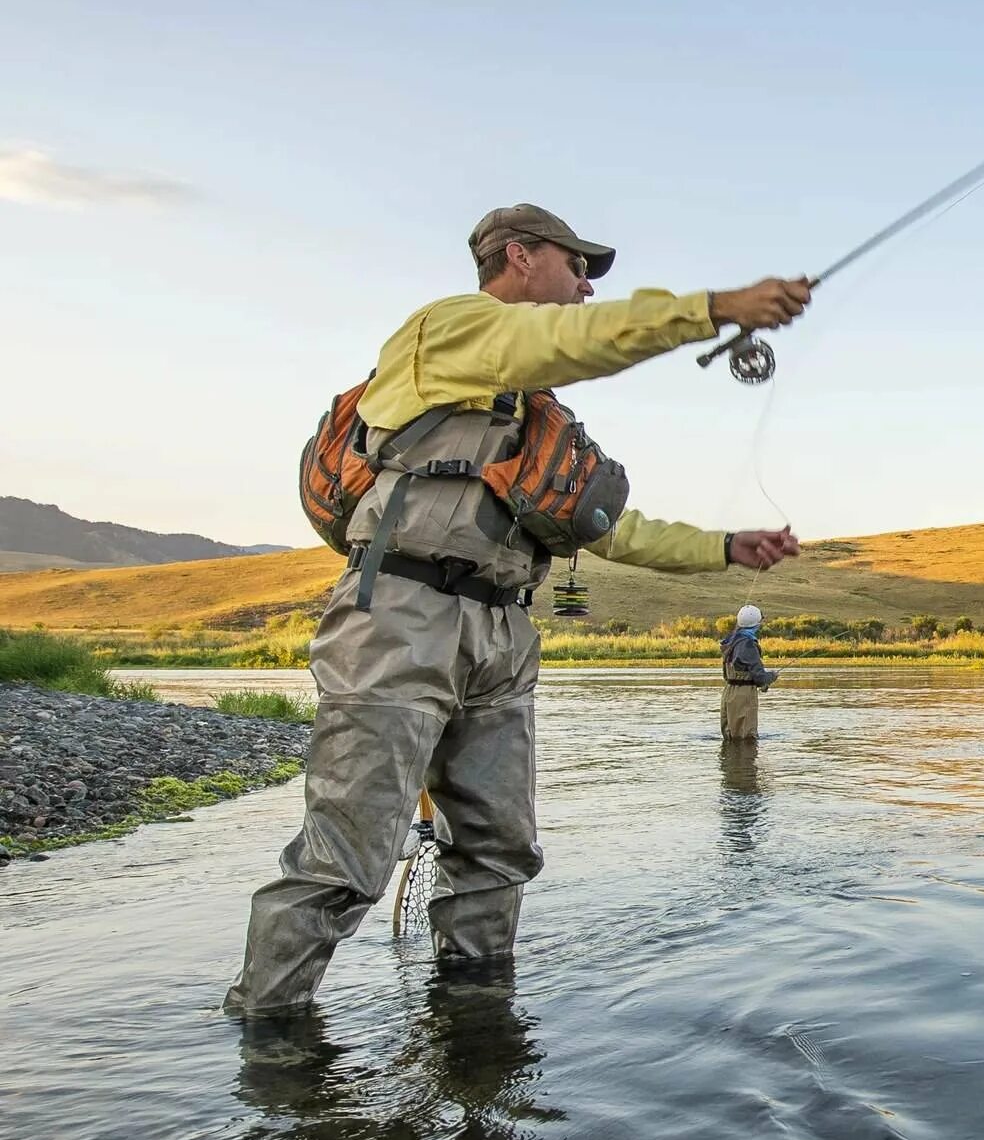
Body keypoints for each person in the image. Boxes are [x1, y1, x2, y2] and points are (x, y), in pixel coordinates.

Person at [225, 203, 812, 1017]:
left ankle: (476, 1031)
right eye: (576, 267)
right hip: (399, 619)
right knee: (347, 858)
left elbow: (607, 528)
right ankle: (269, 1044)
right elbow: (573, 342)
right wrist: (715, 309)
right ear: (520, 256)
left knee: (500, 851)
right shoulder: (447, 330)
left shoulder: (527, 411)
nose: (582, 287)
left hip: (503, 635)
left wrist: (723, 548)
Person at [719, 603, 780, 741]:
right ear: (755, 623)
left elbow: (734, 673)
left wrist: (760, 682)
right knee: (746, 738)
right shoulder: (748, 644)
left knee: (731, 737)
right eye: (760, 621)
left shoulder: (730, 641)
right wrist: (771, 676)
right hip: (744, 696)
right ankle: (746, 763)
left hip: (729, 692)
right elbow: (760, 677)